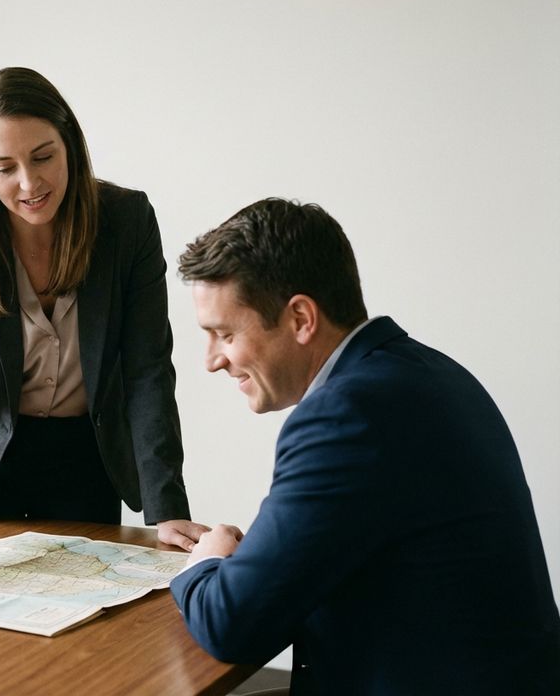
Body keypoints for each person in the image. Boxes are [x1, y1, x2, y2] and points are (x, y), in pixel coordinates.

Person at [172, 198, 560, 694]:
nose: (211, 361)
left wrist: (206, 562)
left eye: (223, 334)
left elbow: (231, 626)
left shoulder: (347, 416)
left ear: (300, 318)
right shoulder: (427, 373)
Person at [0, 67, 207, 567]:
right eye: (5, 167)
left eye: (43, 156)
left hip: (86, 462)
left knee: (84, 631)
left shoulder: (127, 223)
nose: (30, 182)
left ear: (70, 142)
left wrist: (167, 508)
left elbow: (147, 372)